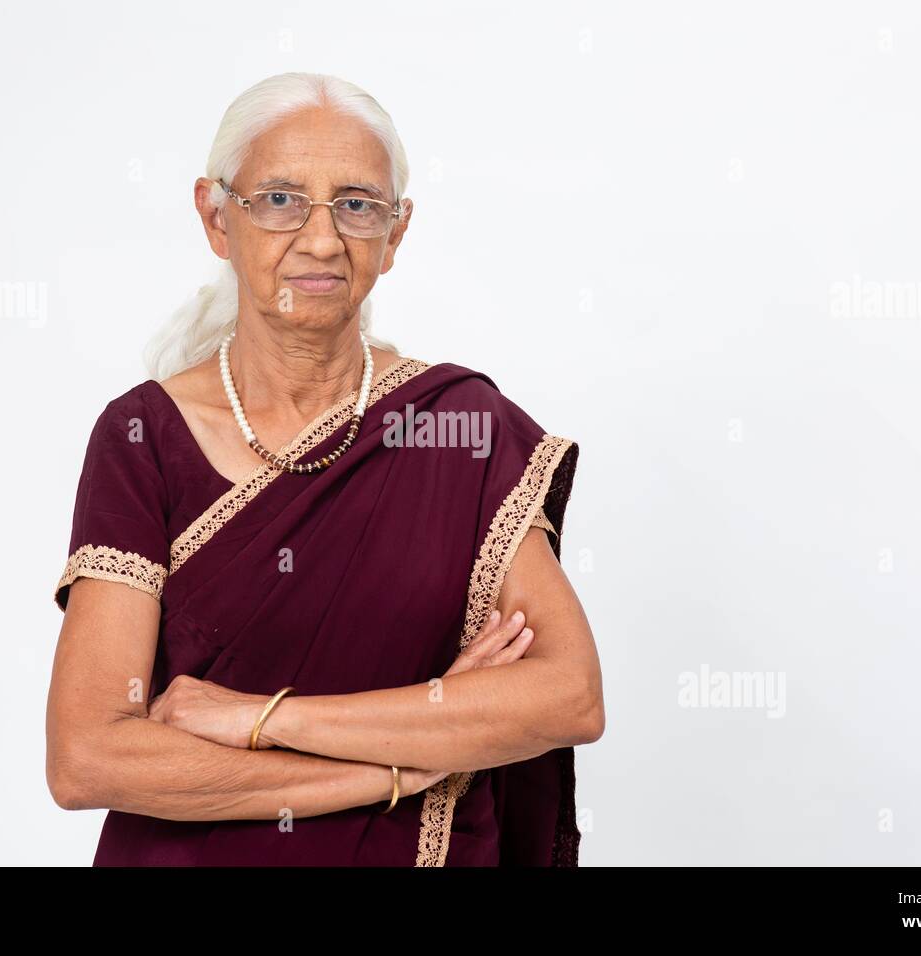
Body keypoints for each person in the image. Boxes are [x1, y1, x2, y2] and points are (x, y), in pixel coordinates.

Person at [44, 72, 604, 866]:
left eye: (356, 204)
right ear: (214, 215)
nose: (320, 238)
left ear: (396, 233)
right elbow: (87, 757)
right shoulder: (144, 437)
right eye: (277, 199)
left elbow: (567, 696)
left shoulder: (458, 429)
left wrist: (261, 719)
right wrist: (407, 763)